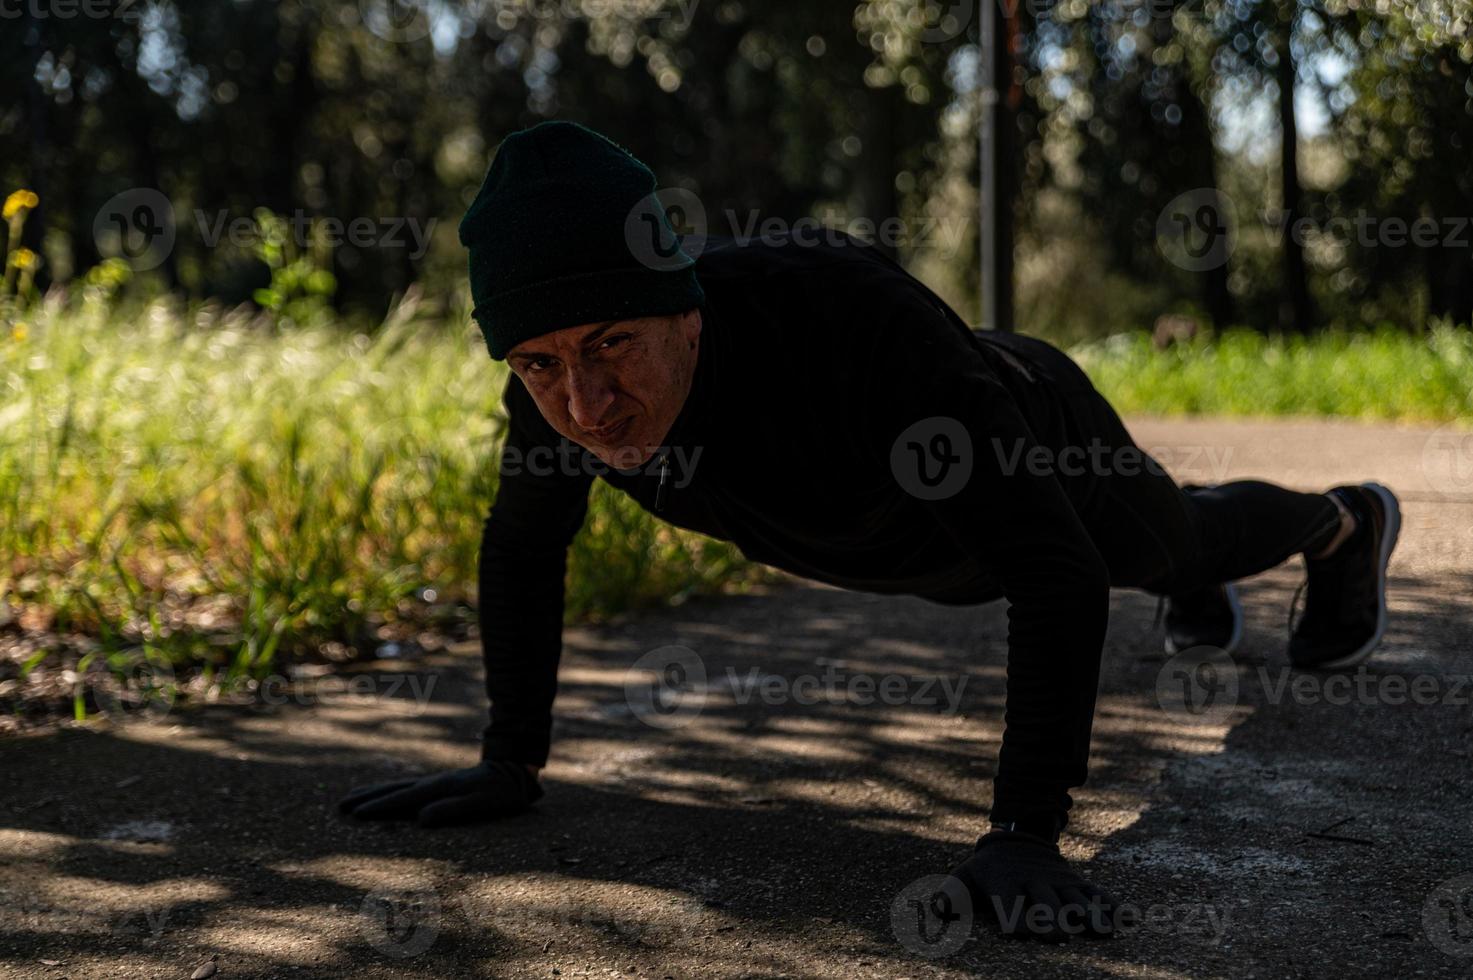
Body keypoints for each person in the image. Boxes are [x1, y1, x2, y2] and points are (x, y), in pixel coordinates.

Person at [337, 121, 1402, 941]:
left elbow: (1051, 568)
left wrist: (1025, 830)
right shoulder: (552, 398)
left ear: (686, 310)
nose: (587, 402)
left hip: (1033, 443)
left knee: (1179, 547)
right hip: (906, 543)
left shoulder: (848, 323)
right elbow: (524, 545)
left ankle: (1347, 520)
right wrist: (509, 758)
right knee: (1146, 563)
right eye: (541, 362)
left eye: (615, 342)